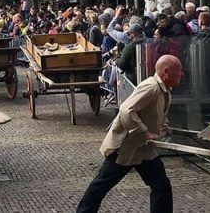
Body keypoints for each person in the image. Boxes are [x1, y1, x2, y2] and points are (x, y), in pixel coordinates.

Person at [77, 55, 183, 213]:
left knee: (161, 185)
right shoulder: (151, 87)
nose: (181, 74)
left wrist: (163, 125)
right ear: (166, 72)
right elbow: (126, 110)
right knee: (101, 184)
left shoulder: (164, 90)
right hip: (126, 147)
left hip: (143, 150)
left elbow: (154, 112)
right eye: (178, 71)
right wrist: (145, 132)